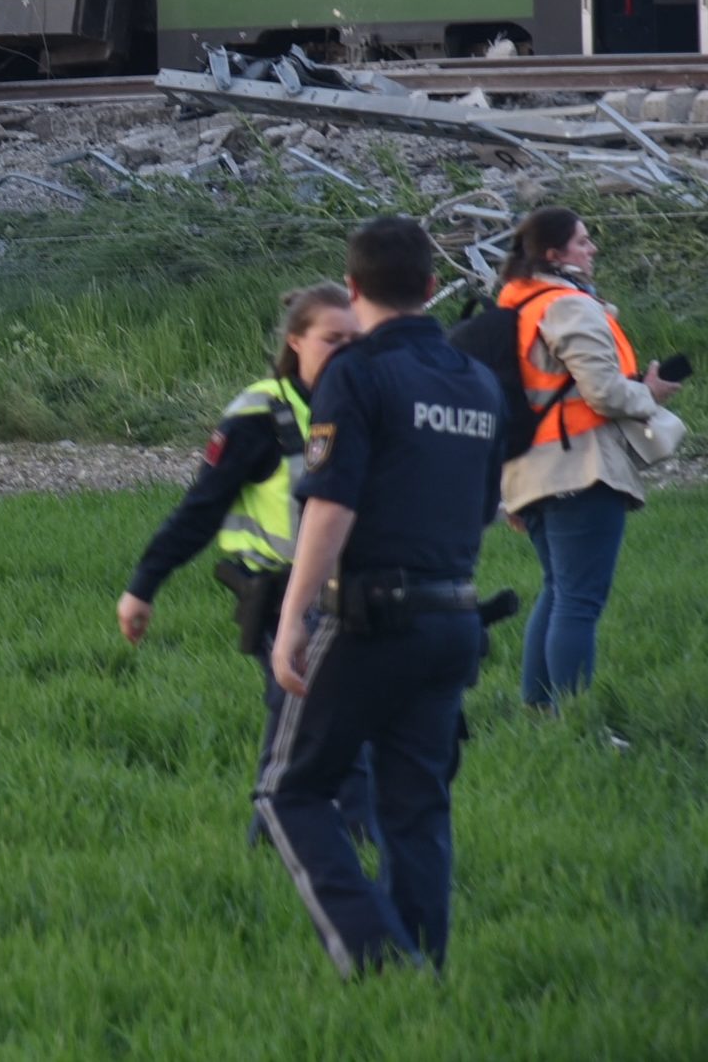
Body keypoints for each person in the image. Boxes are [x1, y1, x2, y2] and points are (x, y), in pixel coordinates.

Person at [260, 215, 505, 976]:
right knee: (416, 808)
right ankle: (423, 970)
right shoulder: (477, 378)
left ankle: (377, 959)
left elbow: (330, 505)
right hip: (455, 618)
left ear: (354, 287)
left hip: (371, 618)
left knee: (290, 793)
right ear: (433, 289)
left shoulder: (357, 373)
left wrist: (295, 615)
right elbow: (488, 503)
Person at [117, 282, 377, 845]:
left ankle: (276, 847)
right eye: (332, 339)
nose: (347, 351)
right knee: (330, 729)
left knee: (314, 729)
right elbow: (201, 508)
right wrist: (143, 587)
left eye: (356, 339)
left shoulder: (363, 405)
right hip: (279, 595)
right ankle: (356, 850)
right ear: (295, 342)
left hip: (353, 595)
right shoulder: (260, 415)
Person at [490, 207, 682, 712]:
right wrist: (650, 395)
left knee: (558, 591)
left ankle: (538, 713)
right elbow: (602, 393)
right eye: (582, 241)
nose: (591, 249)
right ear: (555, 255)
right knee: (578, 600)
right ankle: (573, 718)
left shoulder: (514, 307)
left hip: (528, 470)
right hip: (578, 466)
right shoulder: (568, 306)